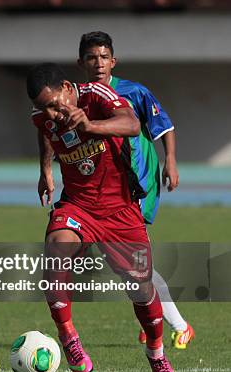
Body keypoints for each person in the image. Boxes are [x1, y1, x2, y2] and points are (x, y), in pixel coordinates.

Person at [28, 63, 175, 372]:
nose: (52, 113)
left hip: (121, 211)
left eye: (56, 104)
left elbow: (132, 125)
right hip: (78, 205)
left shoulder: (97, 96)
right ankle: (68, 336)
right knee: (55, 249)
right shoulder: (44, 117)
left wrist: (92, 125)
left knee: (141, 288)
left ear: (68, 87)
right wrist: (46, 171)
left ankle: (157, 354)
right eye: (44, 108)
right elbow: (46, 134)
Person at [73, 31, 193, 349]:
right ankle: (148, 314)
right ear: (81, 63)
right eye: (91, 58)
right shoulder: (77, 97)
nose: (98, 63)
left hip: (135, 186)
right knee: (124, 263)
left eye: (103, 57)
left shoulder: (133, 92)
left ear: (113, 61)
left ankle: (178, 325)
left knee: (136, 264)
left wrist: (171, 161)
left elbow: (163, 126)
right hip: (98, 192)